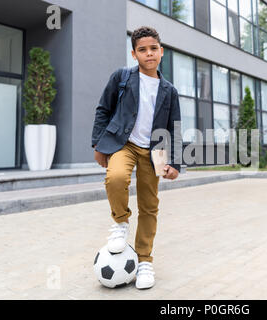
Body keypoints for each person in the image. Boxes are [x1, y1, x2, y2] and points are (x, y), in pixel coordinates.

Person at [91, 26, 182, 289]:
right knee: (116, 177)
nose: (149, 53)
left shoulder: (170, 90)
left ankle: (144, 261)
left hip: (156, 152)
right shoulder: (121, 78)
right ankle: (120, 222)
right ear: (134, 54)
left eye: (153, 48)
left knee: (149, 205)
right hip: (124, 144)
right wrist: (98, 143)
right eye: (142, 49)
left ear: (161, 52)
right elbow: (103, 109)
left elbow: (174, 127)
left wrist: (174, 162)